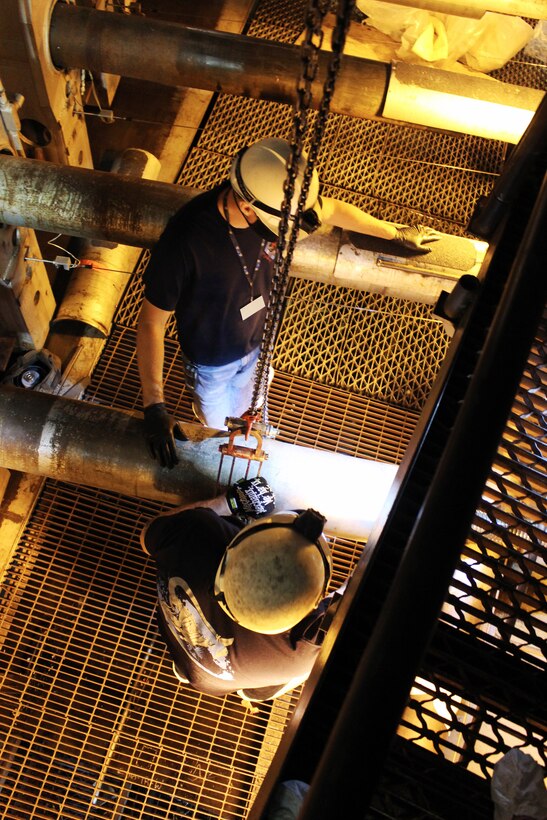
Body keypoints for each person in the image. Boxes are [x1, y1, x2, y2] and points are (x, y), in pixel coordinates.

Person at [137, 137, 441, 466]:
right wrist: (154, 406)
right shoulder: (186, 243)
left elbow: (334, 209)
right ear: (248, 208)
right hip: (212, 364)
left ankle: (250, 434)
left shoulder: (276, 200)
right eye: (281, 224)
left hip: (258, 344)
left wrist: (394, 233)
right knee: (217, 425)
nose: (289, 230)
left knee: (251, 408)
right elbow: (151, 323)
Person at [140, 475, 347, 703]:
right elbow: (351, 594)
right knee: (298, 672)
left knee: (194, 655)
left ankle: (187, 667)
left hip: (190, 660)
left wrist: (231, 502)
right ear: (313, 604)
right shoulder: (305, 651)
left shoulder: (199, 532)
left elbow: (147, 533)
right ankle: (250, 693)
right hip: (225, 678)